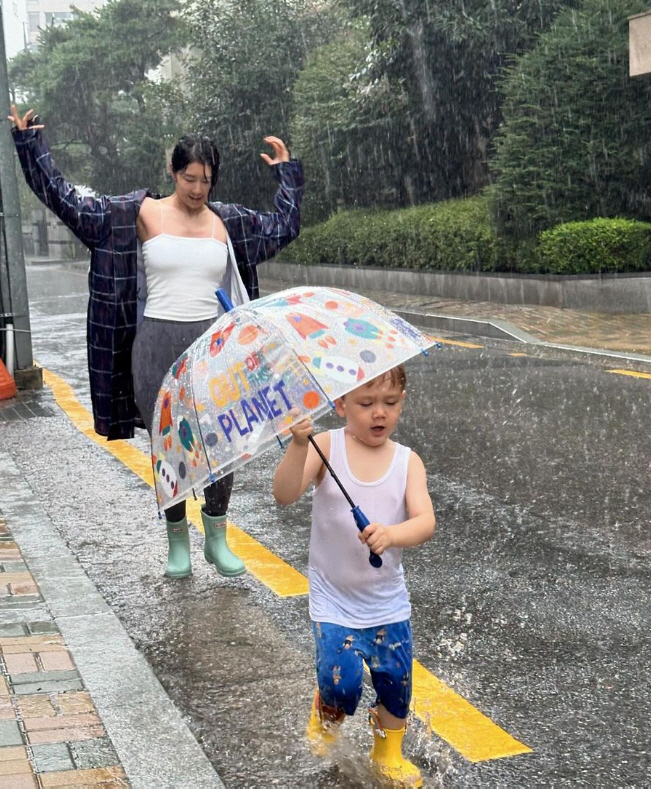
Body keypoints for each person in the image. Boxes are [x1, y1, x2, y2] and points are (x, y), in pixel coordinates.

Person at [10, 105, 304, 580]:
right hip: (154, 345)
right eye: (190, 178)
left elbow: (283, 227)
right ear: (173, 171)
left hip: (211, 349)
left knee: (219, 440)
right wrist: (31, 147)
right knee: (167, 444)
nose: (198, 189)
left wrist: (288, 177)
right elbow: (66, 201)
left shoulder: (226, 222)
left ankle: (216, 536)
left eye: (207, 180)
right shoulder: (139, 213)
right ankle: (177, 541)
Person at [273, 364, 435, 787]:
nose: (379, 413)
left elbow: (425, 522)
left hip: (386, 601)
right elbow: (284, 494)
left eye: (391, 403)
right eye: (365, 404)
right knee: (340, 685)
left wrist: (391, 533)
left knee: (395, 685)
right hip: (334, 600)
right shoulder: (325, 447)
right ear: (341, 403)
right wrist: (297, 444)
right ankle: (325, 712)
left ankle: (387, 751)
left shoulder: (406, 462)